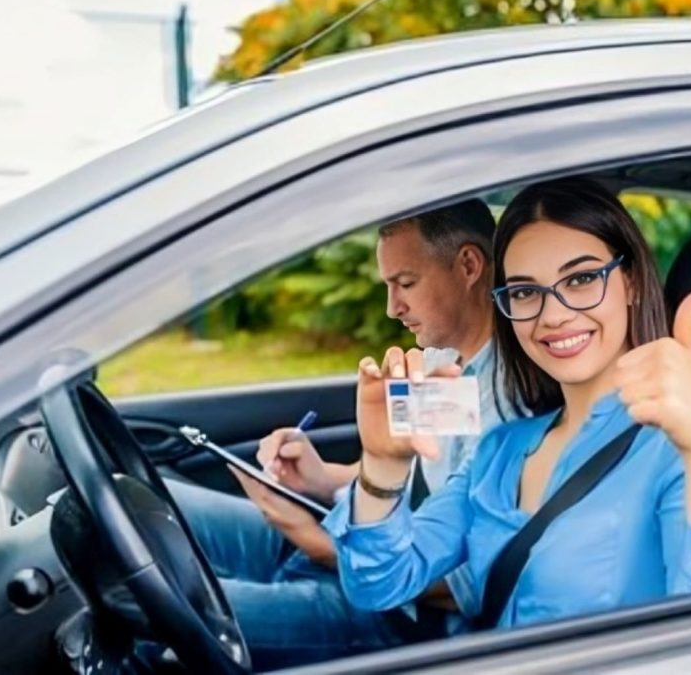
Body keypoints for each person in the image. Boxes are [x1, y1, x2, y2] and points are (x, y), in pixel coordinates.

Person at [326, 178, 691, 629]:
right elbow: (379, 583)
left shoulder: (684, 445)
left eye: (580, 279)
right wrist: (382, 466)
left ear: (631, 281)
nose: (552, 315)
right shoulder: (499, 451)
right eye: (524, 292)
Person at [164, 198, 519, 669]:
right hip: (346, 543)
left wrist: (313, 541)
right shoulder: (442, 363)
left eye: (406, 283)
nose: (393, 308)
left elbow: (464, 587)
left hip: (394, 617)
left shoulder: (509, 403)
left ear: (469, 265)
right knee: (158, 505)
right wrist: (321, 477)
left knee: (162, 619)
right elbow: (410, 477)